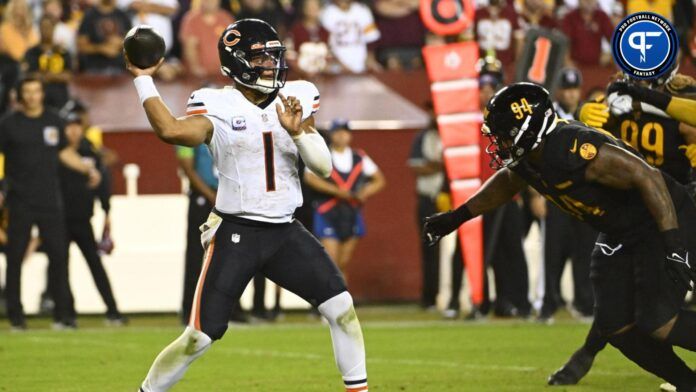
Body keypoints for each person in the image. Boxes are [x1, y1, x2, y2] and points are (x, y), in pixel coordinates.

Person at [128, 19, 368, 392]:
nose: (272, 64)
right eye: (261, 57)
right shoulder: (217, 103)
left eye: (274, 56)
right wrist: (144, 78)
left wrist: (299, 130)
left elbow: (323, 167)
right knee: (199, 338)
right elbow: (172, 131)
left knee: (342, 310)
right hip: (236, 231)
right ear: (236, 62)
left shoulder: (298, 96)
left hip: (286, 232)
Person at [424, 82, 696, 391]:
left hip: (665, 220)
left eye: (504, 135)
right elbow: (509, 181)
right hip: (625, 233)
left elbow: (649, 178)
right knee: (616, 326)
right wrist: (456, 217)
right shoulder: (531, 155)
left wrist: (674, 244)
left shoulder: (572, 147)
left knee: (658, 321)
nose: (498, 143)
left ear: (528, 130)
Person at [548, 70, 696, 386]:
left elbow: (689, 119)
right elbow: (582, 139)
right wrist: (582, 114)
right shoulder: (616, 99)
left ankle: (587, 354)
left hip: (680, 206)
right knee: (624, 297)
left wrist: (647, 95)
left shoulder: (681, 94)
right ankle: (589, 354)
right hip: (641, 211)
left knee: (655, 313)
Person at [0, 77, 100, 330]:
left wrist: (87, 170)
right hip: (19, 200)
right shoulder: (9, 124)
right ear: (20, 95)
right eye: (27, 92)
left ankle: (64, 314)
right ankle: (16, 316)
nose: (33, 96)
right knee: (15, 258)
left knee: (59, 256)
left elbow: (64, 152)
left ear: (42, 93)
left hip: (49, 200)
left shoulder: (54, 120)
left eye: (36, 91)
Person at [537, 68, 596, 322]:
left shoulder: (589, 114)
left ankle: (585, 304)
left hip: (585, 194)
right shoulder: (547, 117)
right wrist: (535, 194)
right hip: (556, 194)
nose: (570, 94)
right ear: (559, 90)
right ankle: (550, 303)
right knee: (554, 251)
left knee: (586, 250)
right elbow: (534, 158)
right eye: (566, 88)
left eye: (574, 89)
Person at [59, 112, 126, 325]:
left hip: (82, 218)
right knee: (61, 267)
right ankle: (67, 314)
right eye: (69, 126)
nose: (73, 131)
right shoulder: (56, 151)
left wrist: (106, 210)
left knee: (95, 264)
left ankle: (112, 310)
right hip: (58, 219)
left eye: (76, 125)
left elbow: (104, 180)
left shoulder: (90, 150)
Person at [304, 120, 386, 280]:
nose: (342, 135)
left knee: (343, 262)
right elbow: (310, 178)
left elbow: (379, 180)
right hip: (328, 212)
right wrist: (336, 191)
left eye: (345, 131)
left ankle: (343, 301)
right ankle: (328, 300)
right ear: (331, 135)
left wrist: (364, 192)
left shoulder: (359, 157)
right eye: (337, 132)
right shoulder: (323, 154)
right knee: (331, 263)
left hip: (351, 212)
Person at [407, 102, 443, 310]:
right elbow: (417, 167)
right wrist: (440, 165)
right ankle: (429, 296)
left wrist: (433, 165)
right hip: (428, 198)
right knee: (429, 249)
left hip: (450, 199)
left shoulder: (452, 134)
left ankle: (452, 295)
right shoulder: (422, 137)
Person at [22, 15, 73, 110]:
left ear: (54, 28)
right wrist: (56, 76)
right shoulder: (31, 52)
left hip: (60, 98)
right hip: (37, 100)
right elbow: (30, 75)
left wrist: (47, 75)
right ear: (39, 29)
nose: (46, 30)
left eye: (49, 27)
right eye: (43, 27)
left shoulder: (63, 51)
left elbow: (68, 76)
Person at [320, 0, 381, 73]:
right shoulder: (326, 12)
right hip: (336, 67)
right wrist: (339, 64)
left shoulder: (362, 10)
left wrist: (370, 60)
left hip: (362, 64)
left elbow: (371, 39)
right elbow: (324, 45)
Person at [179, 0, 234, 78]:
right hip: (198, 77)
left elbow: (233, 46)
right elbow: (189, 47)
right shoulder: (191, 19)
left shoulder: (226, 18)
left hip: (222, 76)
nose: (210, 2)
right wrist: (196, 69)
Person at [77, 0, 131, 74]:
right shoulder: (89, 15)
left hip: (120, 68)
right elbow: (81, 46)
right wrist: (101, 48)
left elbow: (132, 44)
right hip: (94, 68)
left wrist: (121, 42)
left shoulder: (123, 15)